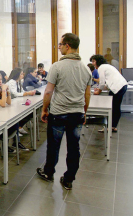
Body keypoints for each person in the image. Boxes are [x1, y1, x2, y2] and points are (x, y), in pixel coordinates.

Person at [36, 33, 92, 191]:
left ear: (68, 46)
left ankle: (48, 173)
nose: (59, 47)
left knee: (53, 146)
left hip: (59, 113)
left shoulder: (57, 66)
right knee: (74, 148)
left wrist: (44, 109)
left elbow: (48, 92)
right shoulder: (86, 69)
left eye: (60, 44)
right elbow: (87, 95)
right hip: (77, 114)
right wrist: (84, 112)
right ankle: (68, 179)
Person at [91, 55, 127, 133]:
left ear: (98, 61)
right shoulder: (107, 66)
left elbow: (102, 81)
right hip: (122, 86)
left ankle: (110, 127)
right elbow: (108, 82)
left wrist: (99, 91)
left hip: (118, 88)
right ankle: (113, 126)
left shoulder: (101, 67)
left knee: (112, 108)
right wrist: (101, 88)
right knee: (116, 107)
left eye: (93, 61)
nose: (93, 63)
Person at [6, 68, 36, 151]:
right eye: (21, 74)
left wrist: (28, 93)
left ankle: (18, 131)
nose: (23, 75)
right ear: (17, 74)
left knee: (29, 114)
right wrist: (26, 93)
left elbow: (22, 91)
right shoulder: (11, 82)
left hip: (17, 103)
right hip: (11, 105)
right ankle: (15, 140)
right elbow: (15, 94)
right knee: (17, 119)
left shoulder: (18, 82)